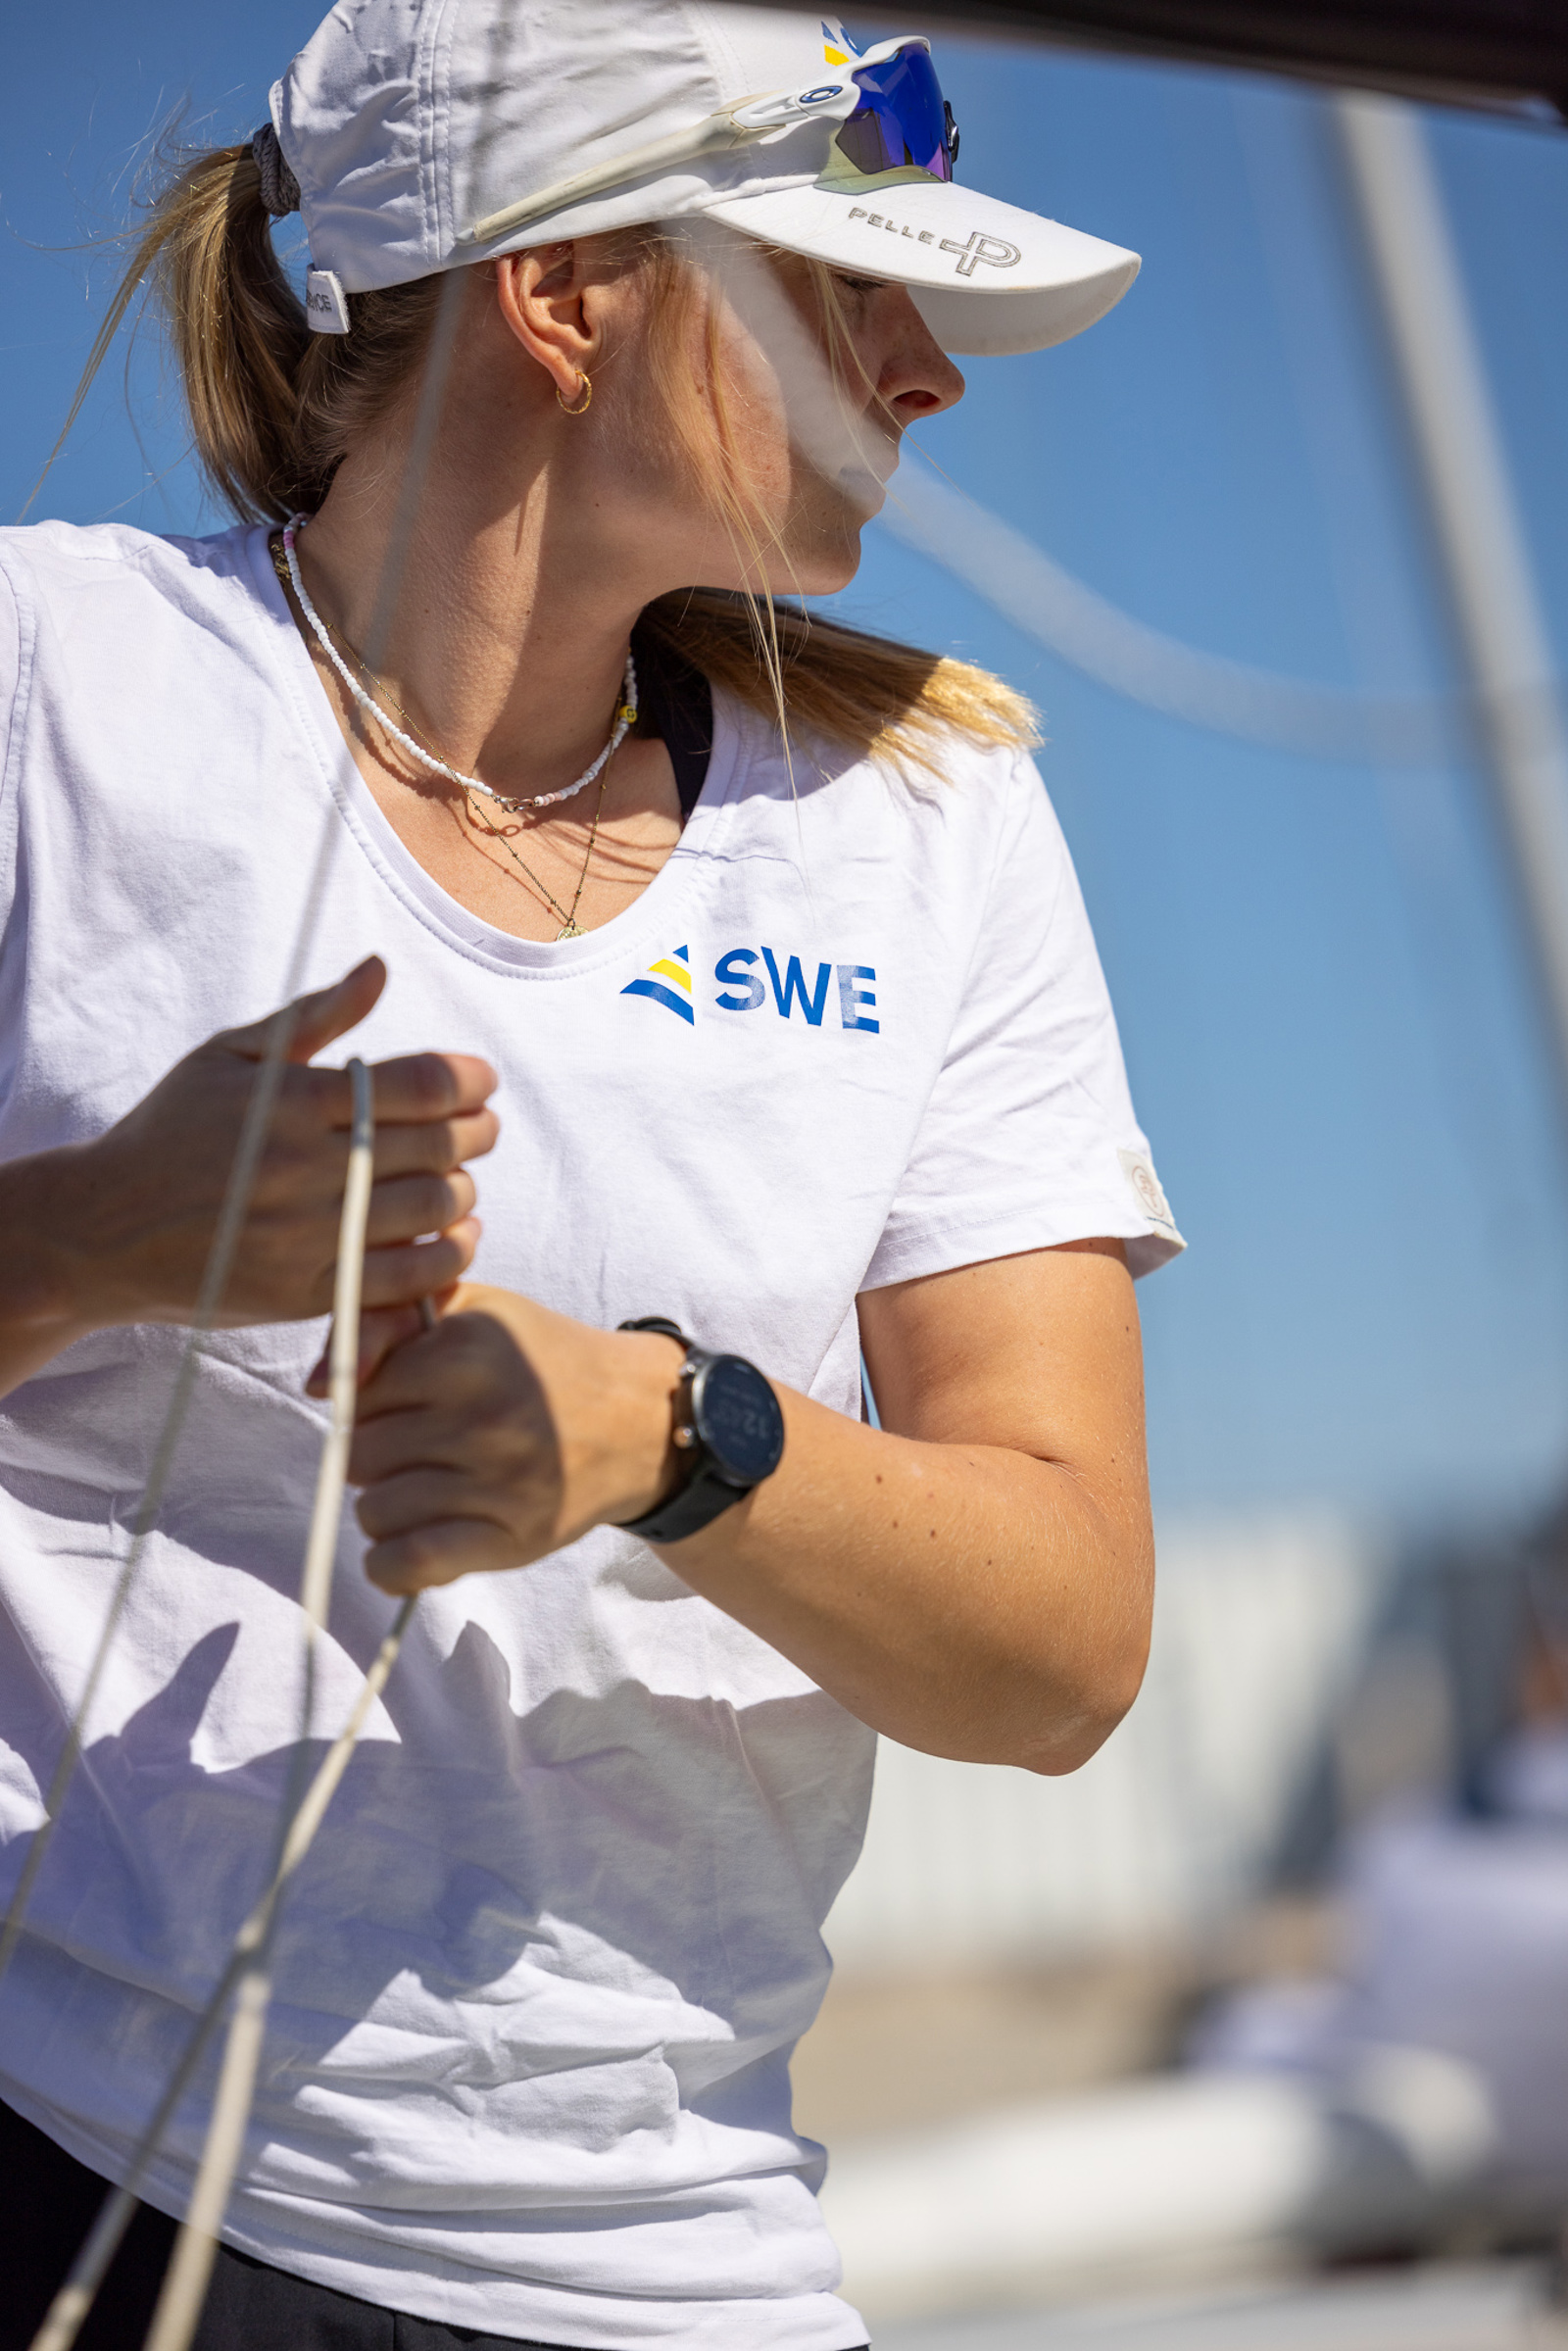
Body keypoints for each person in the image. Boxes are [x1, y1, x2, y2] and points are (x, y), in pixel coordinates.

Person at [0, 4, 1182, 2345]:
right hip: (61, 2172)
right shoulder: (50, 683)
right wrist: (86, 1240)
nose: (928, 371)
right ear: (562, 293)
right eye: (849, 286)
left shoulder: (930, 823)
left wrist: (672, 1437)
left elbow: (1061, 1649)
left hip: (687, 2268)